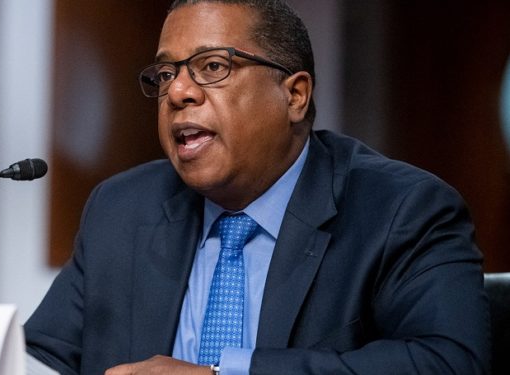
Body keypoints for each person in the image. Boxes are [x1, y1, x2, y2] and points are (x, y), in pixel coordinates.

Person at [24, 0, 491, 374]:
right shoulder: (122, 208)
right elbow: (41, 360)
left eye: (211, 67)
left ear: (295, 95)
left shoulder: (400, 210)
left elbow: (448, 362)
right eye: (166, 74)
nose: (179, 92)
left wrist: (224, 374)